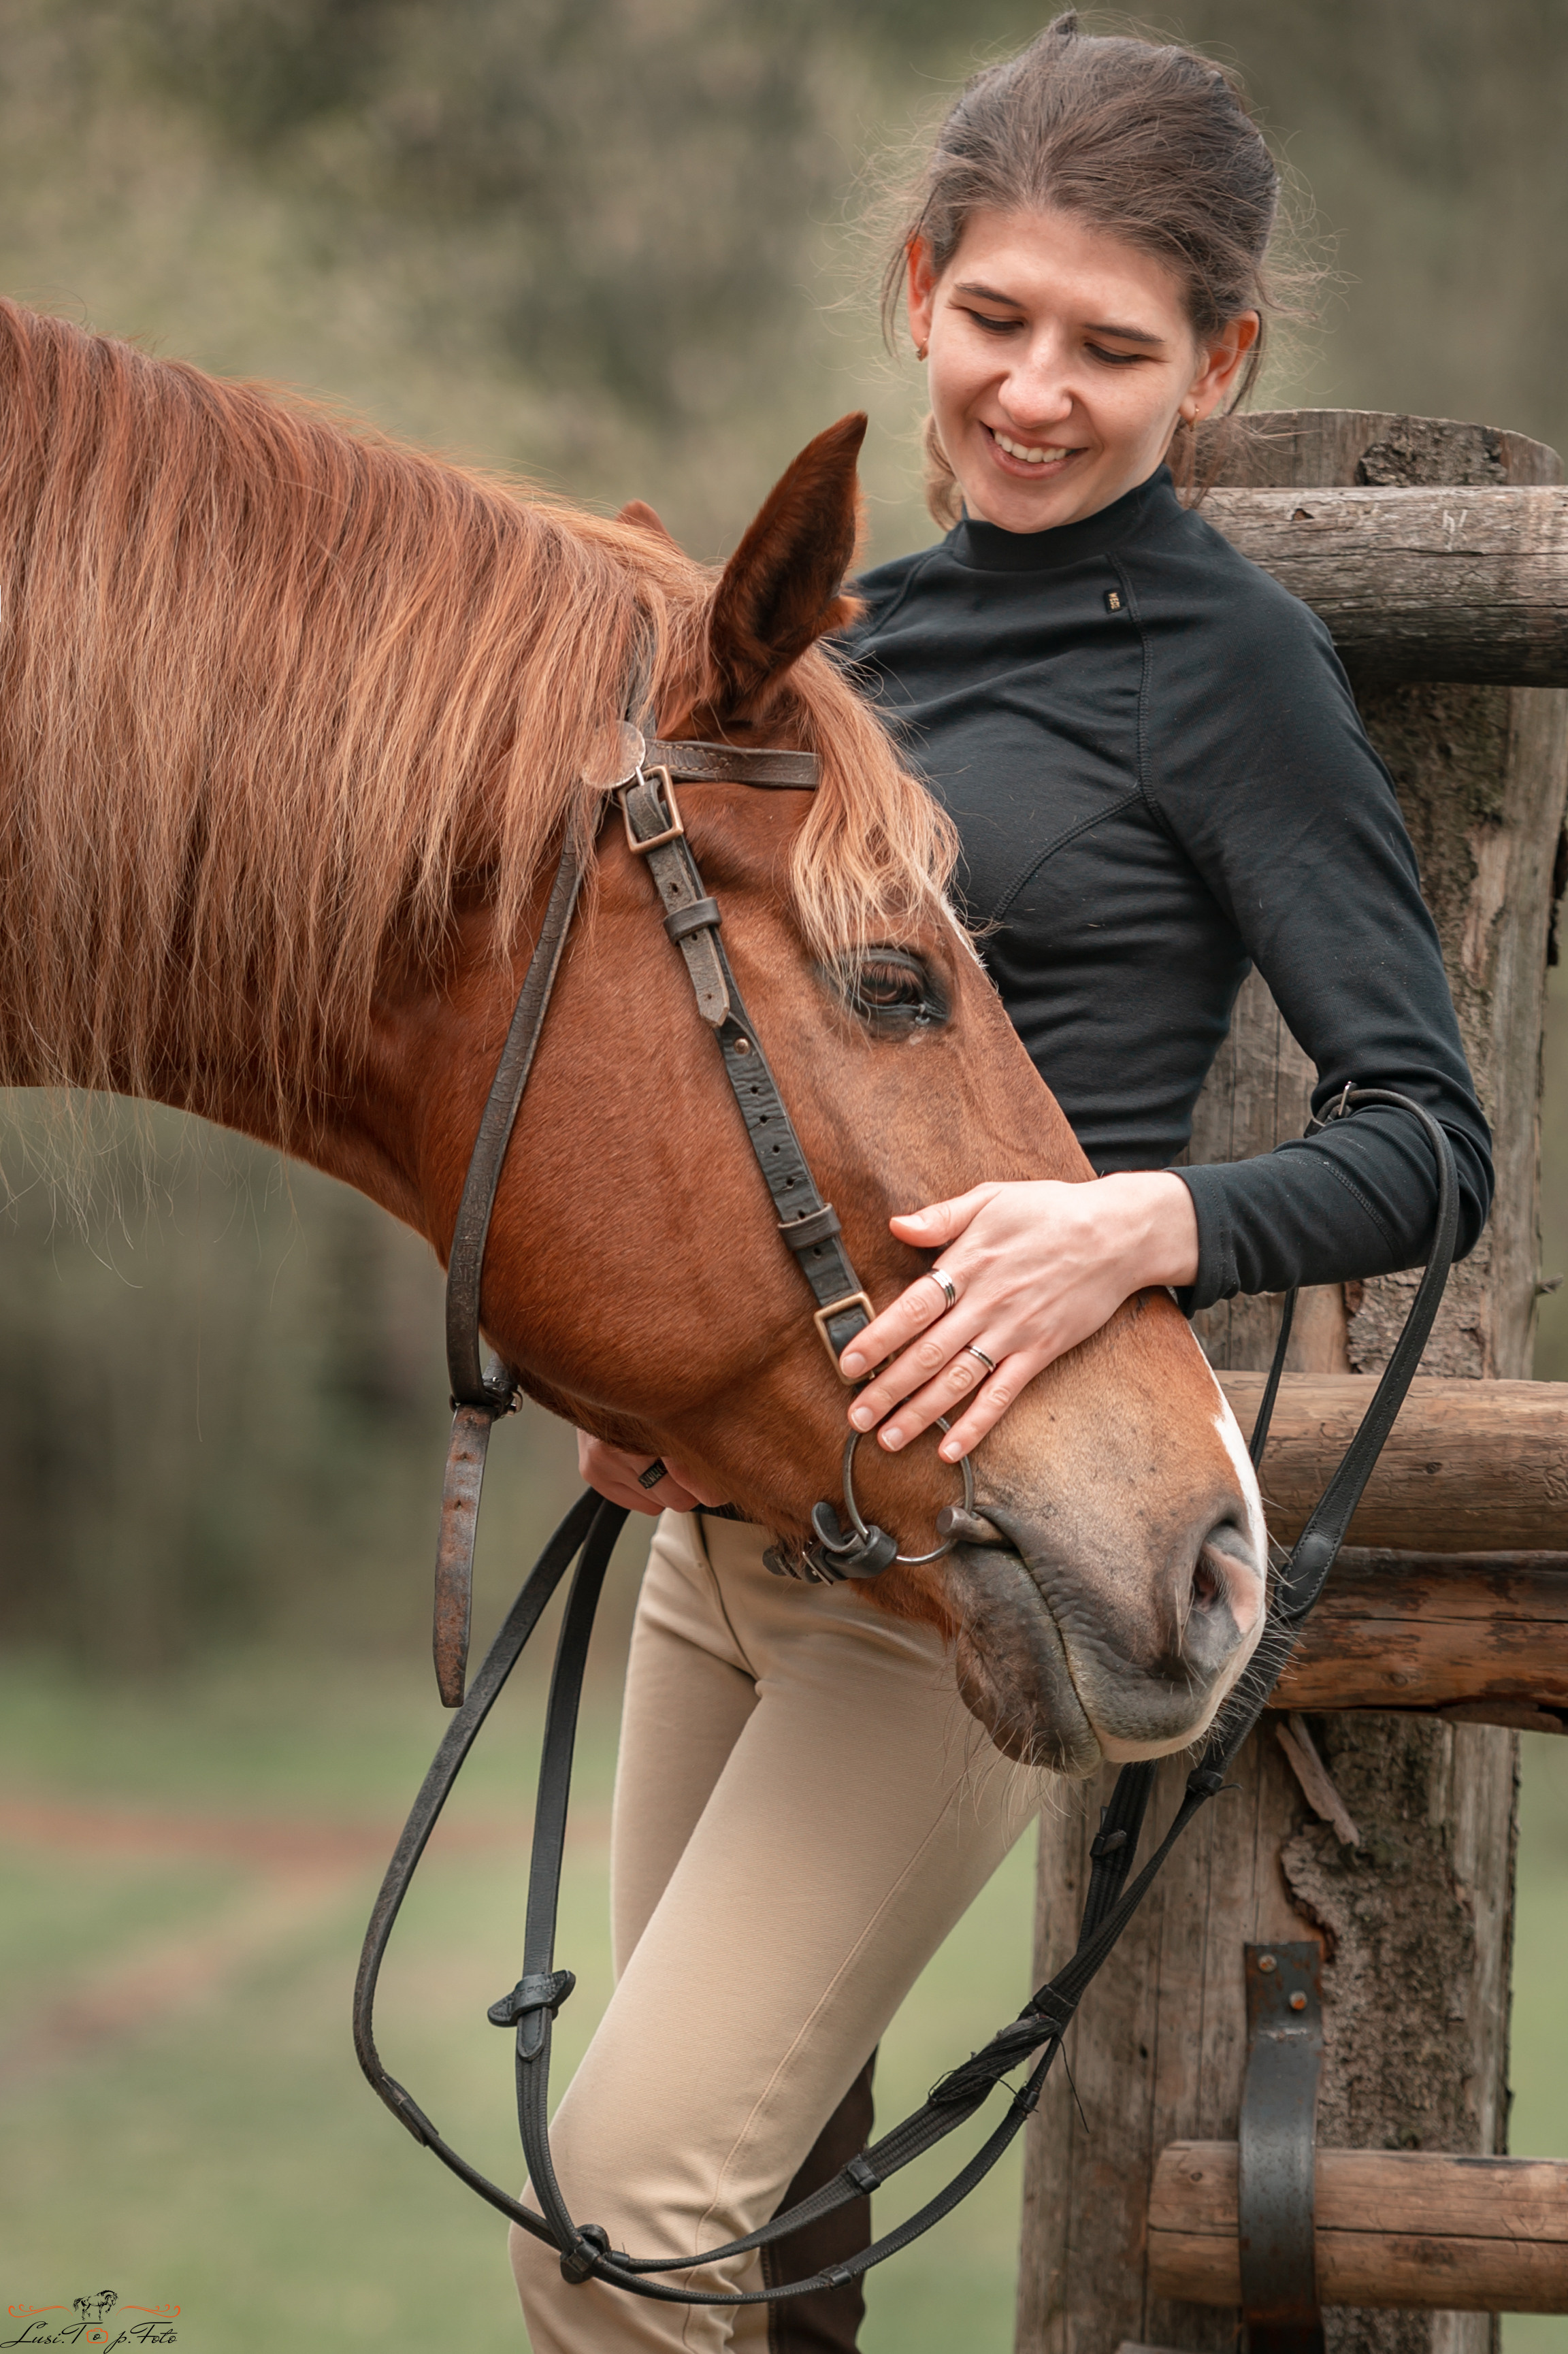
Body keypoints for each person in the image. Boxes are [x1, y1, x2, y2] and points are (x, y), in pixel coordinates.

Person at [514, 18, 1492, 2352]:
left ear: (1217, 363)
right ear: (921, 289)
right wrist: (619, 1350)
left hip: (968, 1559)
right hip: (722, 1539)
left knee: (620, 2213)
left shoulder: (1227, 666)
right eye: (997, 319)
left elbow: (1429, 1138)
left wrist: (1134, 1220)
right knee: (745, 2232)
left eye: (1115, 347)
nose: (1038, 391)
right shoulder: (833, 639)